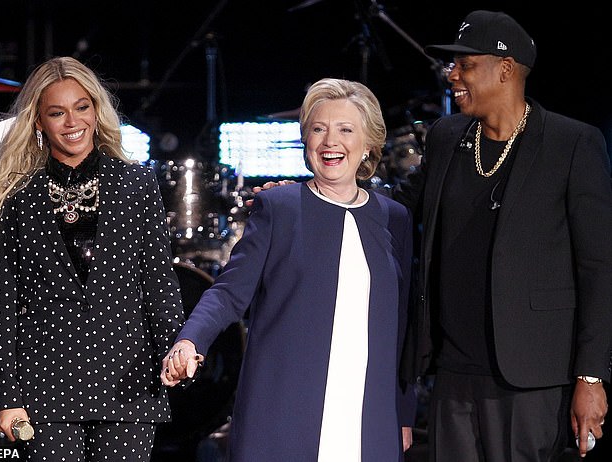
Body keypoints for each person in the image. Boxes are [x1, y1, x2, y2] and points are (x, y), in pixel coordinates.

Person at [391, 10, 612, 462]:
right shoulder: (446, 136)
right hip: (452, 373)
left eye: (465, 65)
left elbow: (598, 268)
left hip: (532, 379)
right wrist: (312, 198)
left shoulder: (571, 144)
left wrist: (591, 377)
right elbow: (394, 208)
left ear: (505, 69)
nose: (452, 76)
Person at [161, 77, 417, 461]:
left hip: (369, 420)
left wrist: (403, 413)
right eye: (318, 129)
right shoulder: (279, 207)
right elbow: (229, 292)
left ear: (368, 145)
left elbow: (403, 327)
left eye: (345, 130)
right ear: (305, 142)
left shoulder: (394, 218)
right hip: (282, 417)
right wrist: (190, 340)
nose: (331, 141)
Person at [0, 56, 186, 460]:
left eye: (82, 107)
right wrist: (6, 396)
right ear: (39, 121)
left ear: (96, 110)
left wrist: (176, 352)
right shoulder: (14, 197)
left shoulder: (137, 184)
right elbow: (4, 306)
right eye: (57, 112)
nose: (72, 122)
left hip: (128, 383)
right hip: (45, 389)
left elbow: (159, 284)